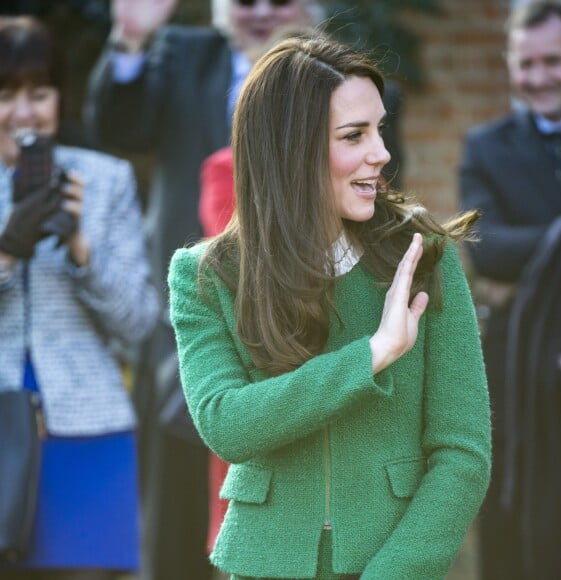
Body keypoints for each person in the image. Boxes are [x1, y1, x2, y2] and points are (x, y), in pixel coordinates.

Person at [84, 2, 405, 579]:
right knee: (183, 522)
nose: (260, 11)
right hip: (194, 333)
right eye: (246, 0)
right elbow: (116, 129)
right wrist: (130, 42)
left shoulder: (352, 90)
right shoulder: (182, 57)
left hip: (324, 338)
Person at [168, 33, 491, 580]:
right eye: (354, 135)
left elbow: (463, 454)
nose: (381, 152)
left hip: (394, 560)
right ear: (291, 148)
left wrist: (394, 573)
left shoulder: (424, 257)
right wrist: (372, 355)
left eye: (379, 129)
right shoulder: (206, 274)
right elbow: (227, 425)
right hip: (263, 563)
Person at [0, 16, 159, 580]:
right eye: (7, 94)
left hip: (89, 432)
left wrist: (81, 249)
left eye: (38, 93)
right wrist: (8, 253)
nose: (23, 113)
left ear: (59, 98)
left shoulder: (105, 180)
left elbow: (139, 324)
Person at [458, 1, 561, 578]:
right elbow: (486, 248)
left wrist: (541, 253)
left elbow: (514, 250)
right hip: (516, 361)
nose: (537, 77)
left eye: (553, 60)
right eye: (524, 63)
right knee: (512, 510)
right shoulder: (487, 147)